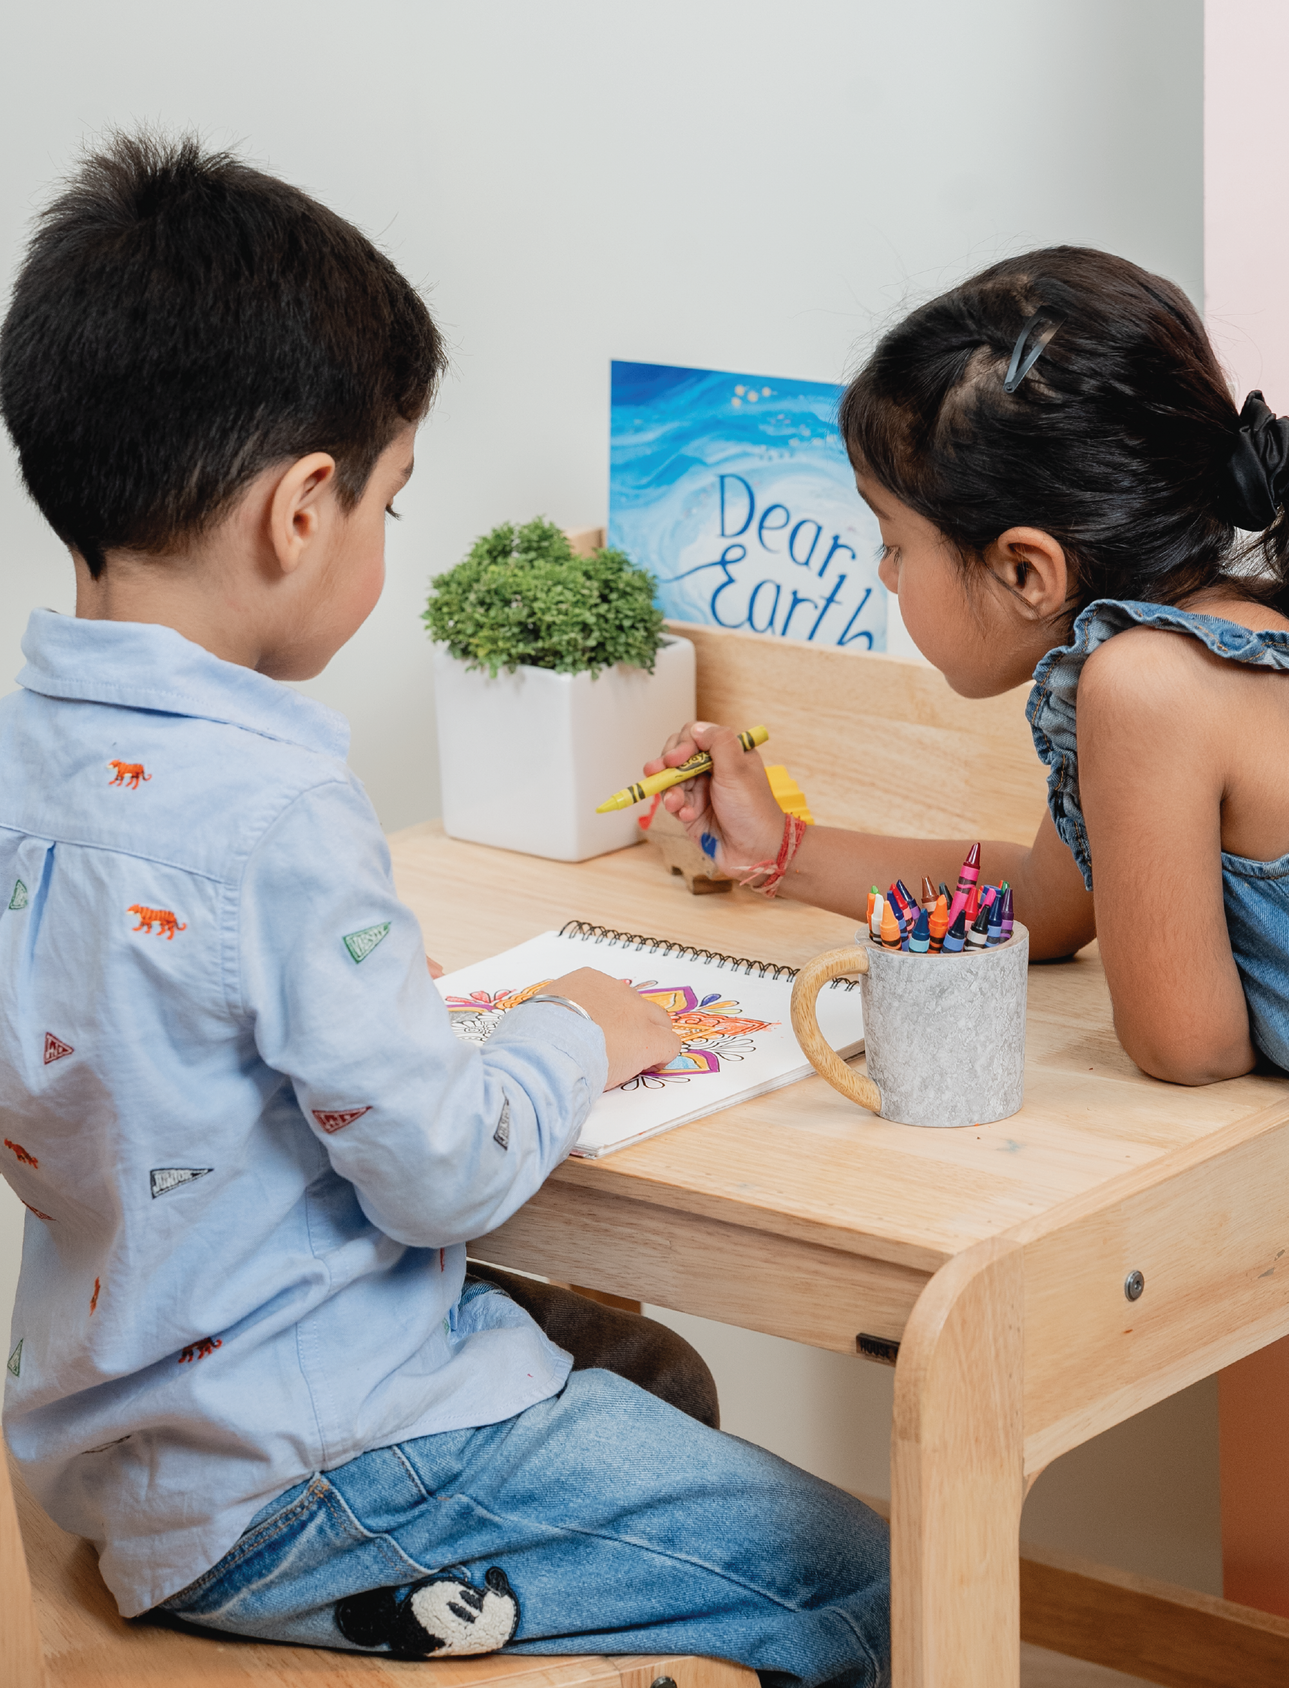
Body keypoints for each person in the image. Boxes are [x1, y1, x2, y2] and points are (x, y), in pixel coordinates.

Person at [0, 133, 889, 1679]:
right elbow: (439, 1166)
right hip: (312, 1472)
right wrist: (571, 1032)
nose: (383, 545)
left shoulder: (31, 759)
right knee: (872, 1579)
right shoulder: (275, 813)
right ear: (302, 510)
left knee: (651, 1368)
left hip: (117, 1431)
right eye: (392, 507)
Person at [653, 247, 1289, 1685]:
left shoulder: (1143, 684)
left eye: (892, 545)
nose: (884, 574)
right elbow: (1040, 900)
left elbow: (1184, 1034)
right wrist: (779, 848)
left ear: (1025, 568)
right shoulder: (1228, 620)